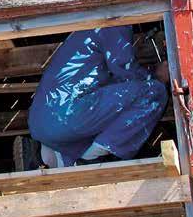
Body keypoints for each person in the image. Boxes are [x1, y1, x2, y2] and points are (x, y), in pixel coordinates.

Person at [27, 26, 170, 168]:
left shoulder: (85, 28)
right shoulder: (114, 20)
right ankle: (91, 160)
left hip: (39, 122)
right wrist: (156, 77)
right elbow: (124, 69)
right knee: (154, 92)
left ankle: (44, 160)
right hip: (65, 115)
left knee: (105, 116)